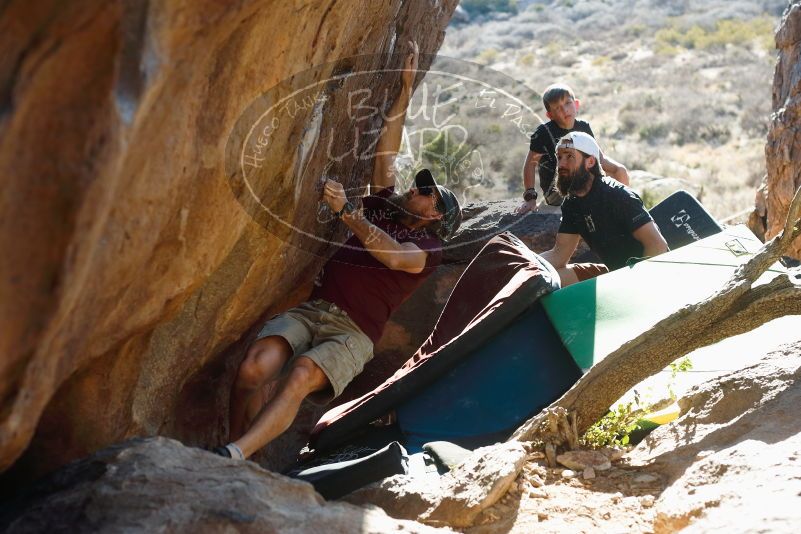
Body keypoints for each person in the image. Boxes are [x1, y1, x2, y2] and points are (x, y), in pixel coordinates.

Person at [214, 43, 462, 460]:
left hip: (353, 334)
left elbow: (393, 256)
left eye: (424, 192)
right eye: (419, 185)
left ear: (434, 215)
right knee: (254, 368)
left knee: (302, 374)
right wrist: (404, 89)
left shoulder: (428, 247)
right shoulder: (388, 205)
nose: (413, 189)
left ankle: (236, 455)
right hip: (315, 309)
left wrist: (348, 212)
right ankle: (239, 456)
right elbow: (388, 152)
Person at [540, 131, 668, 287]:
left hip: (643, 279)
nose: (561, 164)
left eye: (569, 156)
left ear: (590, 162)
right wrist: (525, 264)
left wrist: (636, 287)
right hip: (613, 274)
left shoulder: (617, 195)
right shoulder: (572, 203)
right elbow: (559, 255)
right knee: (547, 279)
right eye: (559, 157)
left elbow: (657, 246)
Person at [517, 83, 629, 214]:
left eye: (568, 103)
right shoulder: (543, 133)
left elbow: (599, 158)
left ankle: (625, 212)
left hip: (582, 180)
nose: (565, 110)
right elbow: (530, 164)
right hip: (558, 191)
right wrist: (530, 198)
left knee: (619, 171)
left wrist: (618, 171)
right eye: (558, 108)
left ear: (576, 104)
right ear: (550, 115)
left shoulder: (583, 127)